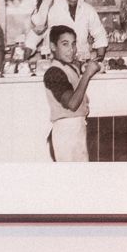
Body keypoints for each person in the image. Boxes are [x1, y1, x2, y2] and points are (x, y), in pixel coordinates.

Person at [41, 24, 100, 162]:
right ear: (53, 46)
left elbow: (74, 69)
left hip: (77, 128)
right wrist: (87, 75)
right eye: (65, 44)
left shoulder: (68, 66)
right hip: (65, 132)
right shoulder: (53, 72)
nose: (71, 50)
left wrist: (82, 67)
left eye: (73, 44)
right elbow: (72, 104)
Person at [31, 0, 110, 61]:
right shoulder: (50, 8)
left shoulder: (88, 10)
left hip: (81, 66)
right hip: (55, 66)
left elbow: (100, 35)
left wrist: (99, 59)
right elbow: (34, 36)